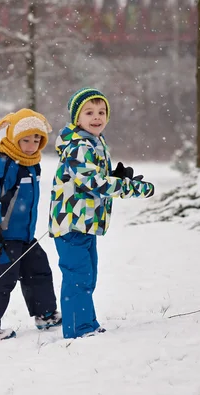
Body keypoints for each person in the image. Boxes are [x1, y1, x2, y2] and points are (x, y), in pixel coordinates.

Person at [48, 88, 155, 339]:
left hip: (85, 223)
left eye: (101, 112)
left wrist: (114, 177)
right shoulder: (78, 146)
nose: (97, 117)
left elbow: (94, 178)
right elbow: (94, 183)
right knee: (78, 277)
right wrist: (131, 188)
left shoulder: (94, 141)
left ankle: (86, 322)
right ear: (77, 118)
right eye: (89, 112)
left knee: (88, 276)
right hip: (71, 223)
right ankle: (78, 328)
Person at [0, 108, 62, 342]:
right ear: (13, 137)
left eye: (36, 140)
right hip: (1, 237)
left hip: (24, 236)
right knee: (0, 280)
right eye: (25, 140)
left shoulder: (32, 164)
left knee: (38, 271)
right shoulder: (3, 164)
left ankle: (46, 314)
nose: (31, 145)